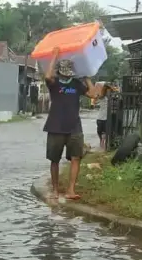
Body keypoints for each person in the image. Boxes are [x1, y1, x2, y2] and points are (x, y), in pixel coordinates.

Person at [43, 48, 99, 201]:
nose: (67, 74)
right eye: (65, 72)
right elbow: (47, 75)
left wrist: (86, 76)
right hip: (55, 127)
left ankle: (70, 190)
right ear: (60, 72)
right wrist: (54, 56)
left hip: (74, 127)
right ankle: (55, 190)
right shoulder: (54, 83)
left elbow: (93, 94)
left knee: (76, 157)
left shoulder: (76, 84)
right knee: (54, 159)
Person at [95, 82, 117, 151]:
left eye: (109, 91)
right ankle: (101, 141)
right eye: (107, 90)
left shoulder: (112, 98)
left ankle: (104, 143)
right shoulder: (102, 97)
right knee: (99, 131)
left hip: (107, 118)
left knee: (105, 132)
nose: (108, 92)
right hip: (100, 118)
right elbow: (104, 86)